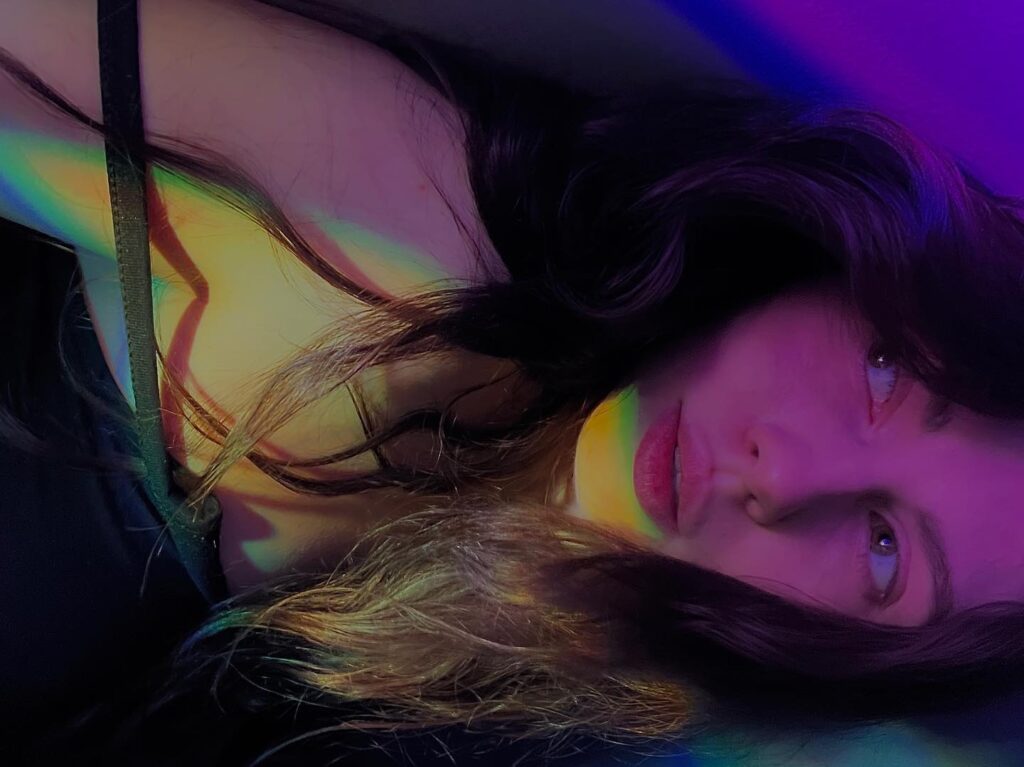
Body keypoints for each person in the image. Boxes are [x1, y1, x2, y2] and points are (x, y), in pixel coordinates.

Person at [3, 0, 1024, 761]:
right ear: (852, 262)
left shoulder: (554, 724)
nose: (783, 471)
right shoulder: (403, 242)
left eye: (883, 550)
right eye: (888, 370)